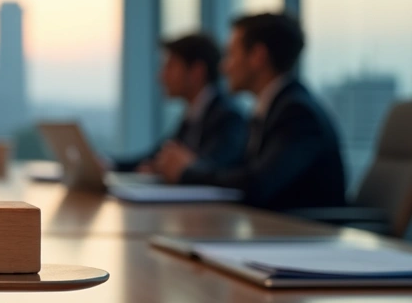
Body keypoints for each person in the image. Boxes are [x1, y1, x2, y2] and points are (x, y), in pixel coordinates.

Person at [153, 13, 347, 211]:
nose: (224, 67)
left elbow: (258, 184)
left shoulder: (297, 113)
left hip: (298, 228)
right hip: (271, 225)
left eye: (231, 54)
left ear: (257, 56)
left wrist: (188, 172)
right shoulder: (274, 108)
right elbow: (242, 174)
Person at [116, 33, 246, 172]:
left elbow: (214, 169)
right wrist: (112, 164)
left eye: (170, 66)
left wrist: (182, 167)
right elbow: (155, 157)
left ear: (197, 71)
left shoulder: (228, 117)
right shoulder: (194, 115)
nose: (161, 76)